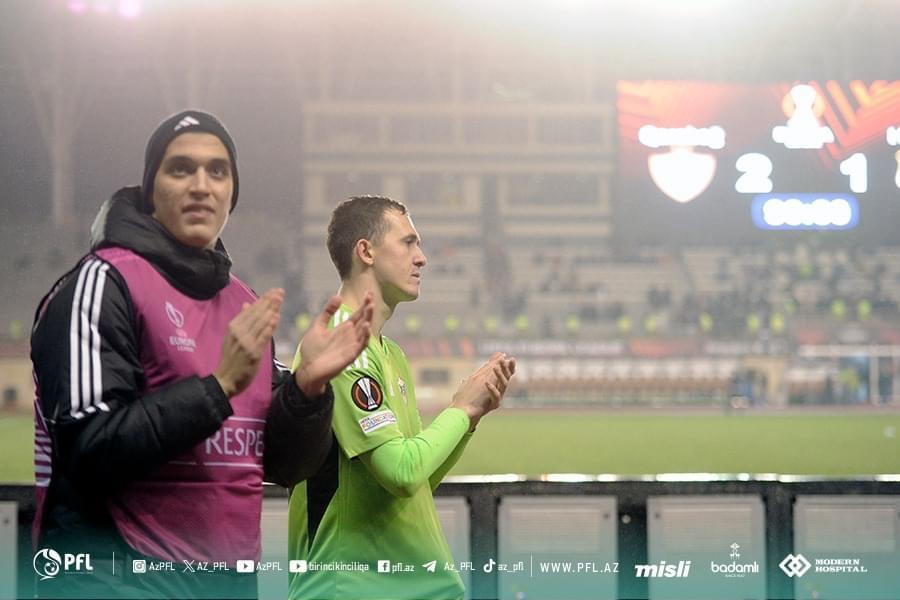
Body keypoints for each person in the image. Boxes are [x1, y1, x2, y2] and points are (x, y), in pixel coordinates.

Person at [30, 110, 374, 600]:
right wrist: (218, 388)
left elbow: (282, 467)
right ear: (151, 189)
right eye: (180, 168)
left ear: (232, 192)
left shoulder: (243, 302)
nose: (200, 185)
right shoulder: (103, 283)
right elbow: (89, 449)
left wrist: (306, 391)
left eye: (217, 171)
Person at [287, 196, 516, 600]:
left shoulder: (389, 353)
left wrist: (470, 418)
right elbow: (401, 472)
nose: (421, 257)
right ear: (366, 251)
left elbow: (417, 480)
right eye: (408, 242)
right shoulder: (339, 347)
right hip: (353, 589)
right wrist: (459, 409)